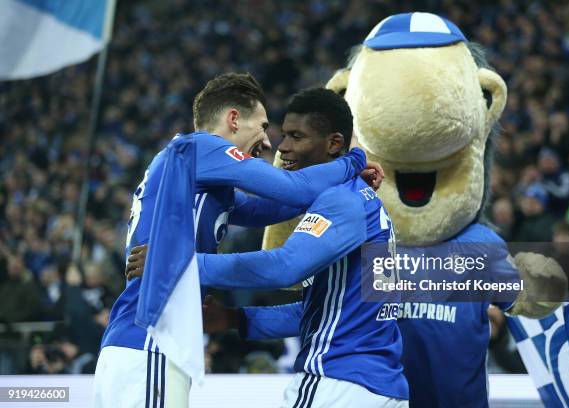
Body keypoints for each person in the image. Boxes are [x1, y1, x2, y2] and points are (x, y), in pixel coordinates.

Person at [94, 74, 372, 408]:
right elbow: (293, 189)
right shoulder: (199, 147)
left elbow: (273, 206)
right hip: (150, 340)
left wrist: (344, 181)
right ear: (234, 119)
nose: (269, 143)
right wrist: (353, 161)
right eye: (263, 126)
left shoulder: (199, 179)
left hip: (145, 344)